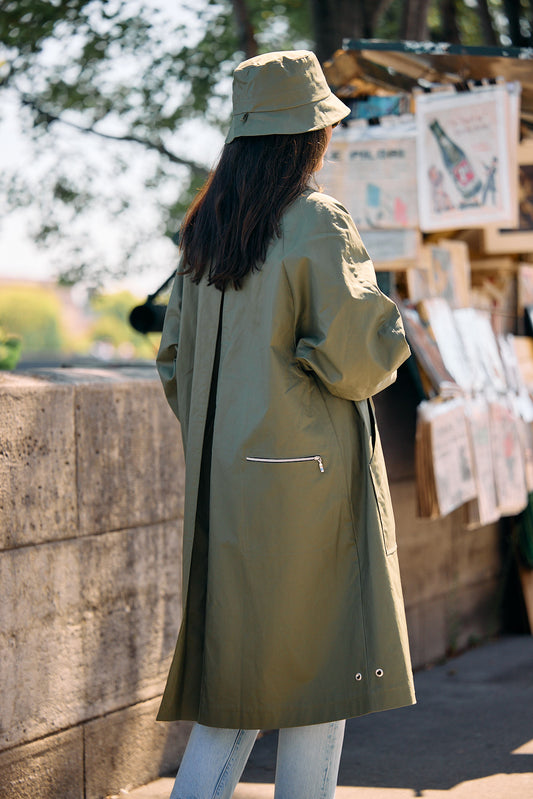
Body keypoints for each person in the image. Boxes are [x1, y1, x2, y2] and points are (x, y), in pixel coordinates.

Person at [156, 50, 415, 799]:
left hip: (226, 487)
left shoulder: (205, 232)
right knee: (316, 688)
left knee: (232, 696)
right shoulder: (315, 219)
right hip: (307, 487)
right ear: (309, 136)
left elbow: (174, 364)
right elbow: (358, 356)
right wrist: (392, 325)